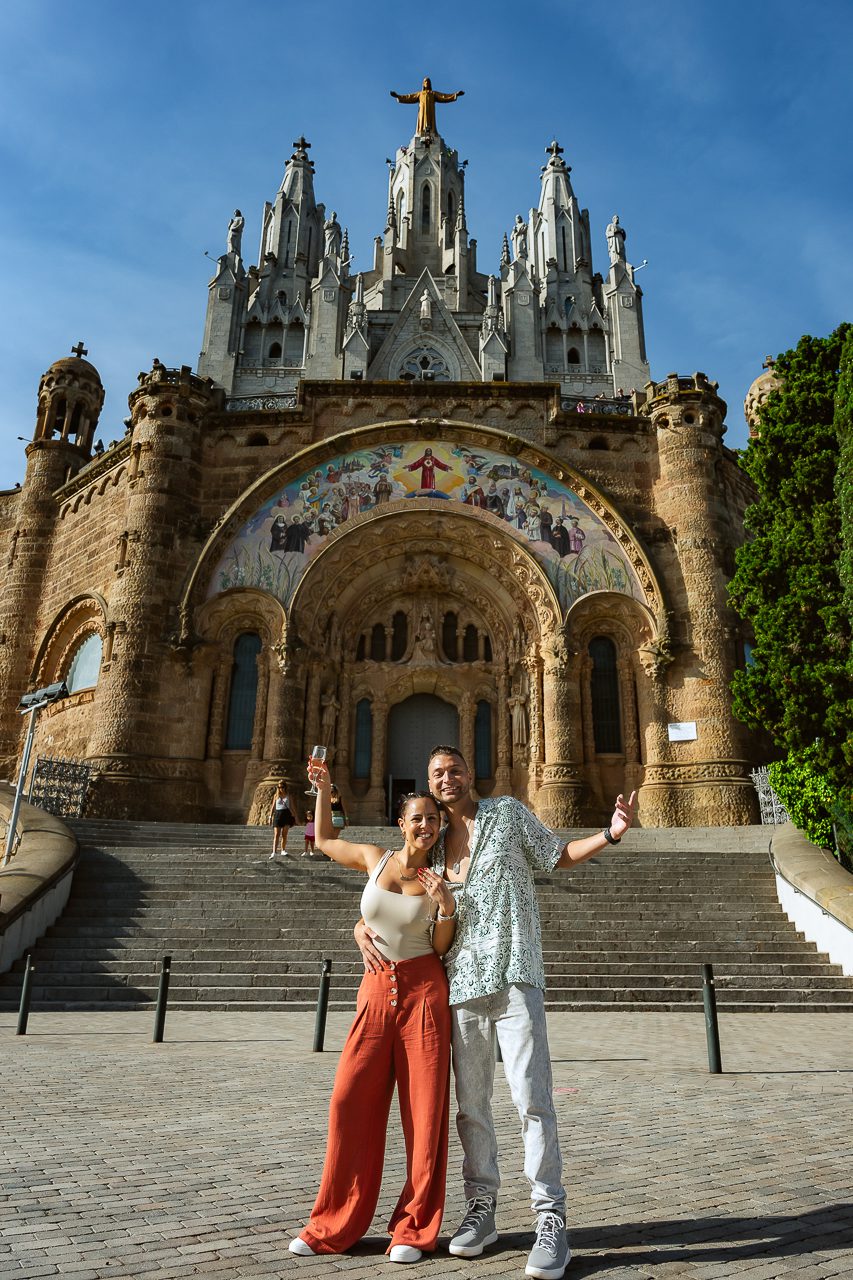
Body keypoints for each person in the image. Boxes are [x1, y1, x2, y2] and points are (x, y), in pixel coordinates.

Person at [356, 746, 636, 1280]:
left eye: (455, 769)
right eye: (437, 773)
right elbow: (393, 902)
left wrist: (611, 832)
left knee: (533, 1099)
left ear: (470, 772)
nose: (447, 779)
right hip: (458, 983)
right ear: (430, 786)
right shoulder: (429, 844)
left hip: (514, 974)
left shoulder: (506, 814)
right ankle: (481, 1209)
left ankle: (550, 1220)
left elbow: (557, 854)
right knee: (473, 1109)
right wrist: (360, 928)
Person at [289, 764, 458, 1263]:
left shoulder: (440, 878)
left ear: (439, 827)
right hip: (374, 992)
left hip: (425, 993)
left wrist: (445, 905)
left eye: (432, 819)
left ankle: (413, 1229)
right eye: (417, 818)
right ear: (401, 823)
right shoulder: (374, 858)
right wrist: (322, 792)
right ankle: (332, 1223)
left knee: (424, 1117)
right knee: (348, 1102)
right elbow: (323, 839)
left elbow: (440, 946)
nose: (425, 825)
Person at [268, 782, 294, 857]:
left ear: (285, 787)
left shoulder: (289, 796)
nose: (280, 789)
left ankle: (283, 850)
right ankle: (274, 851)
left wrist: (295, 816)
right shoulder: (276, 796)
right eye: (279, 787)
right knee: (276, 834)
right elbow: (273, 807)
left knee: (284, 834)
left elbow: (292, 806)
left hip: (286, 814)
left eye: (282, 787)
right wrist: (270, 817)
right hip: (278, 815)